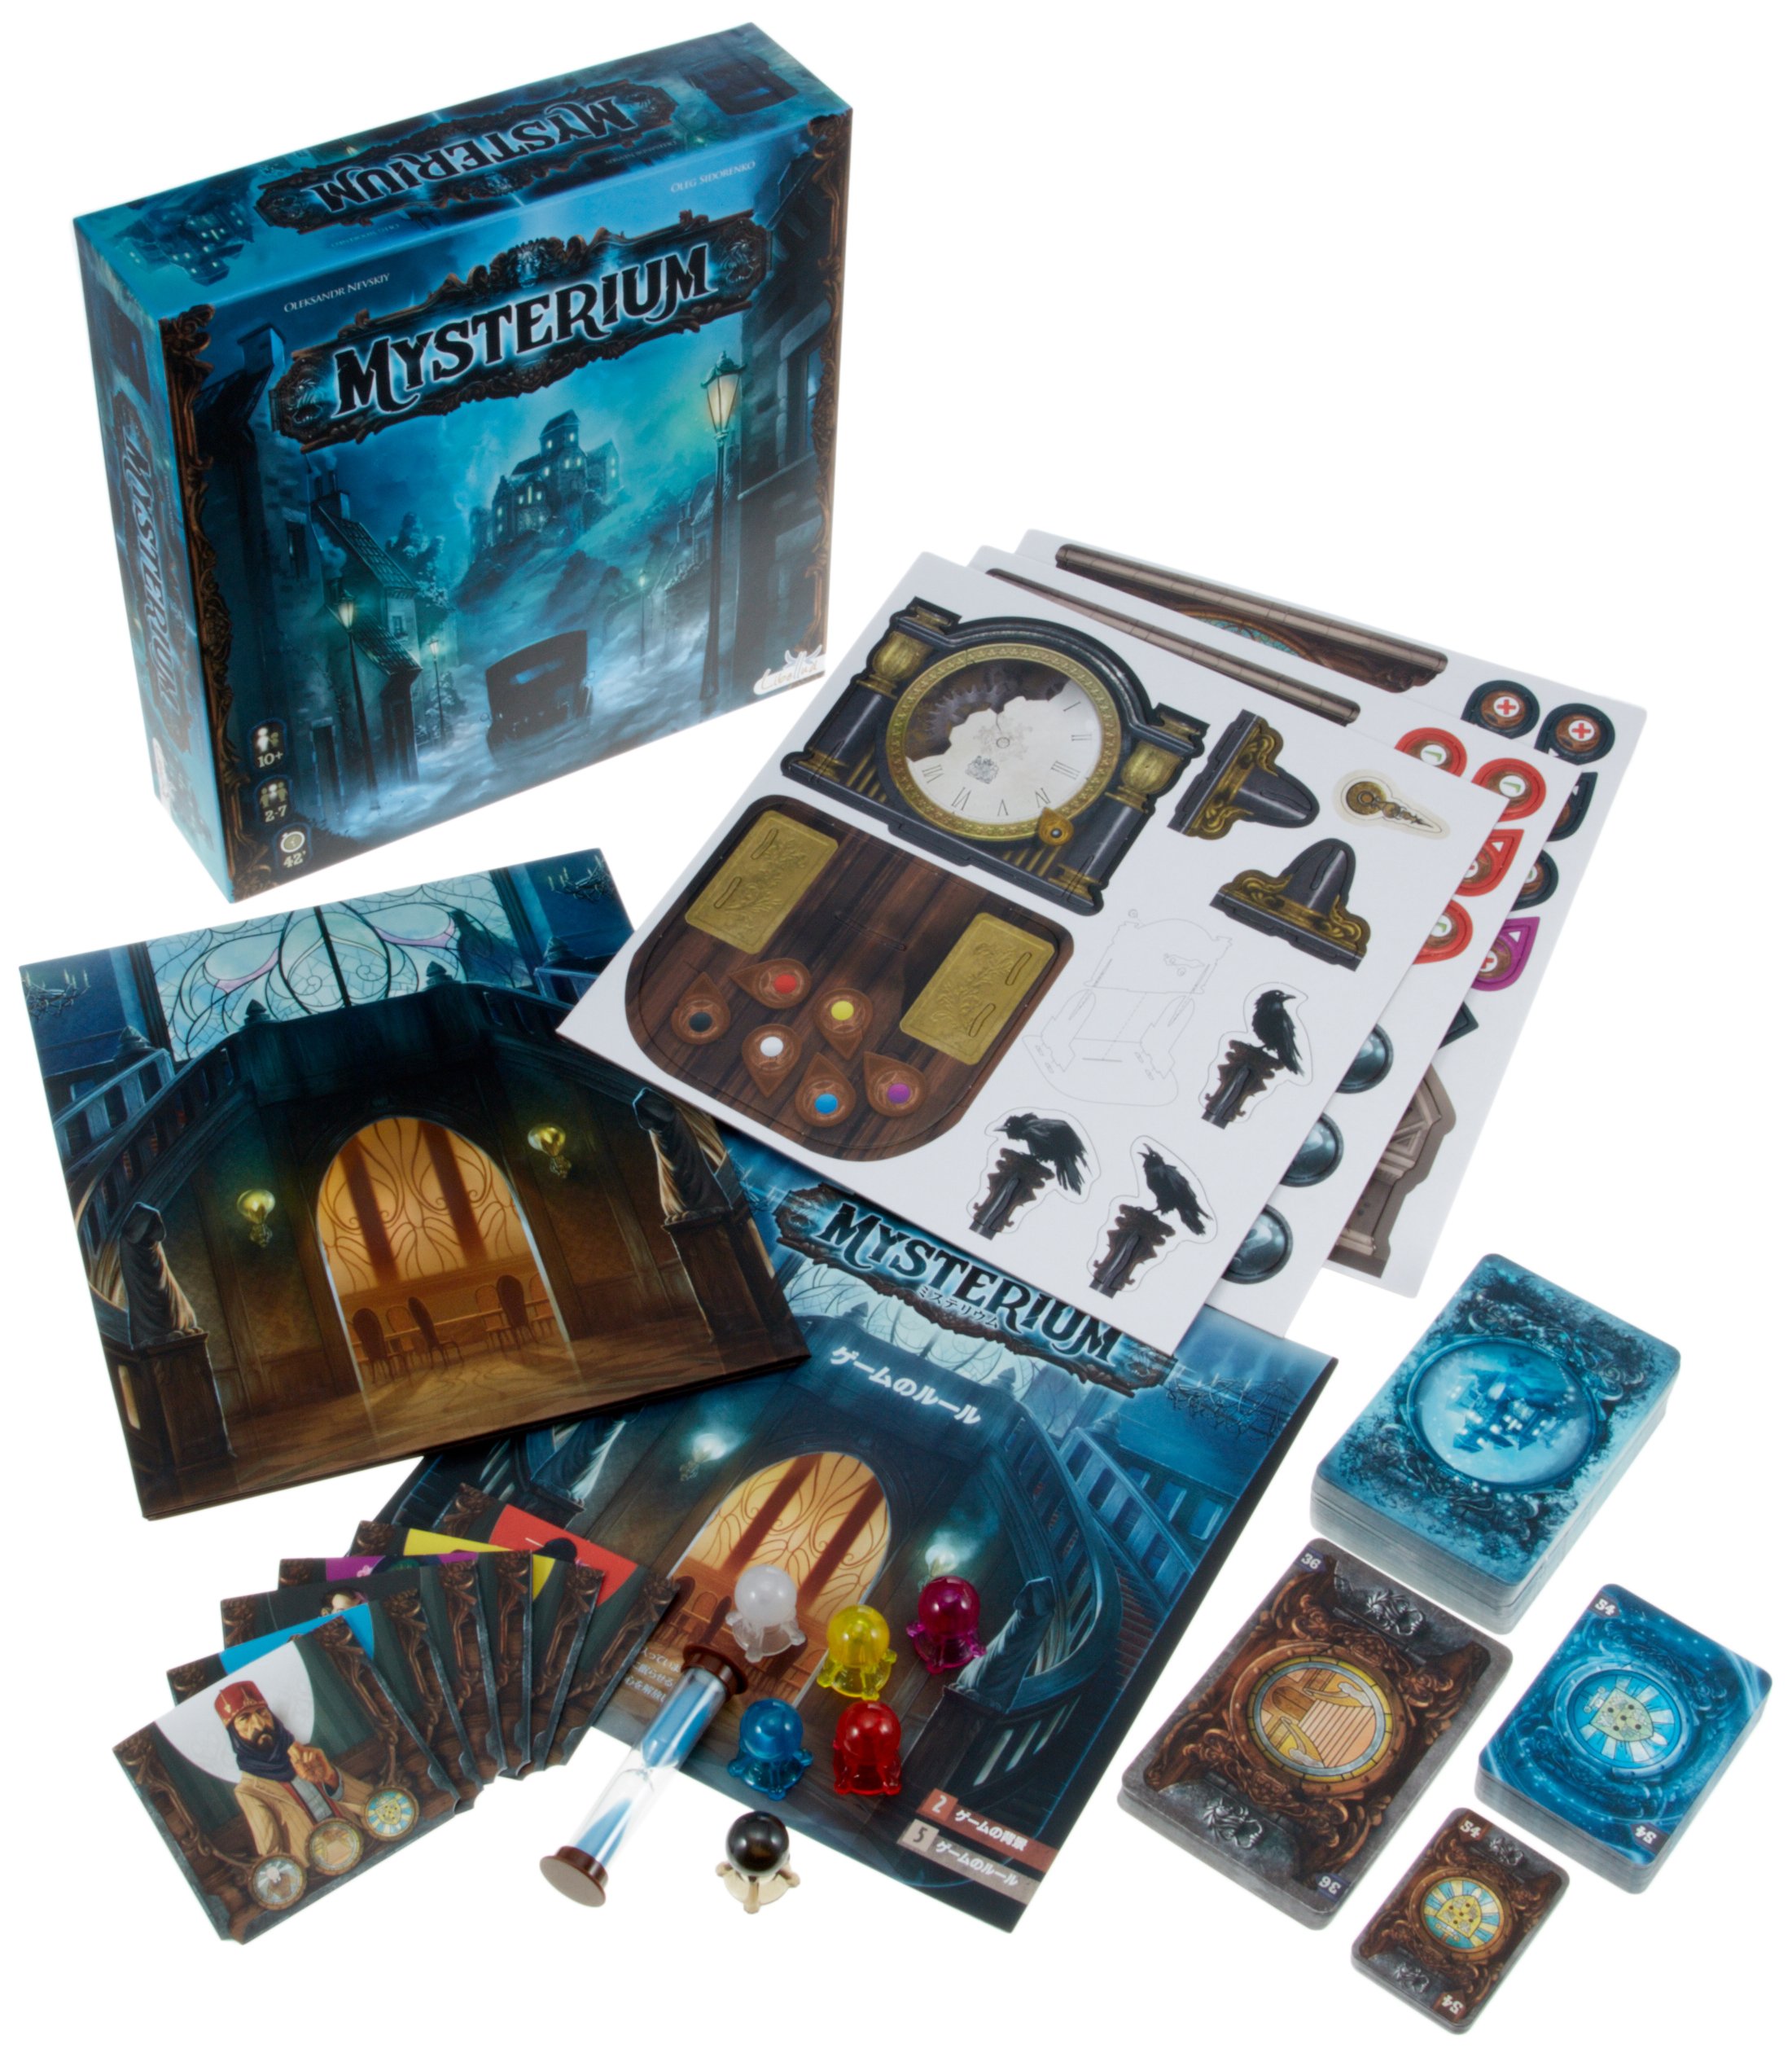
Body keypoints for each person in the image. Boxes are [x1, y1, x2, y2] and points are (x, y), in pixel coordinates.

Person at [214, 1680, 374, 1861]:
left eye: (261, 1712)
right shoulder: (248, 1790)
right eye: (245, 1718)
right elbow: (272, 1854)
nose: (259, 1724)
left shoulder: (306, 1754)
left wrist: (330, 1777)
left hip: (360, 1843)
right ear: (234, 1733)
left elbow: (368, 1801)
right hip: (315, 1867)